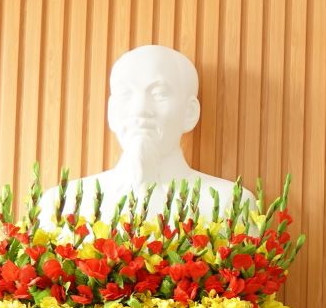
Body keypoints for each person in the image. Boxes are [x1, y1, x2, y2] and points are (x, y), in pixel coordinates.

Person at [35, 45, 246, 224]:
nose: (140, 109)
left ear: (190, 113)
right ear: (111, 112)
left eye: (159, 94)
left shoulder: (230, 204)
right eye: (126, 94)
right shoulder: (61, 204)